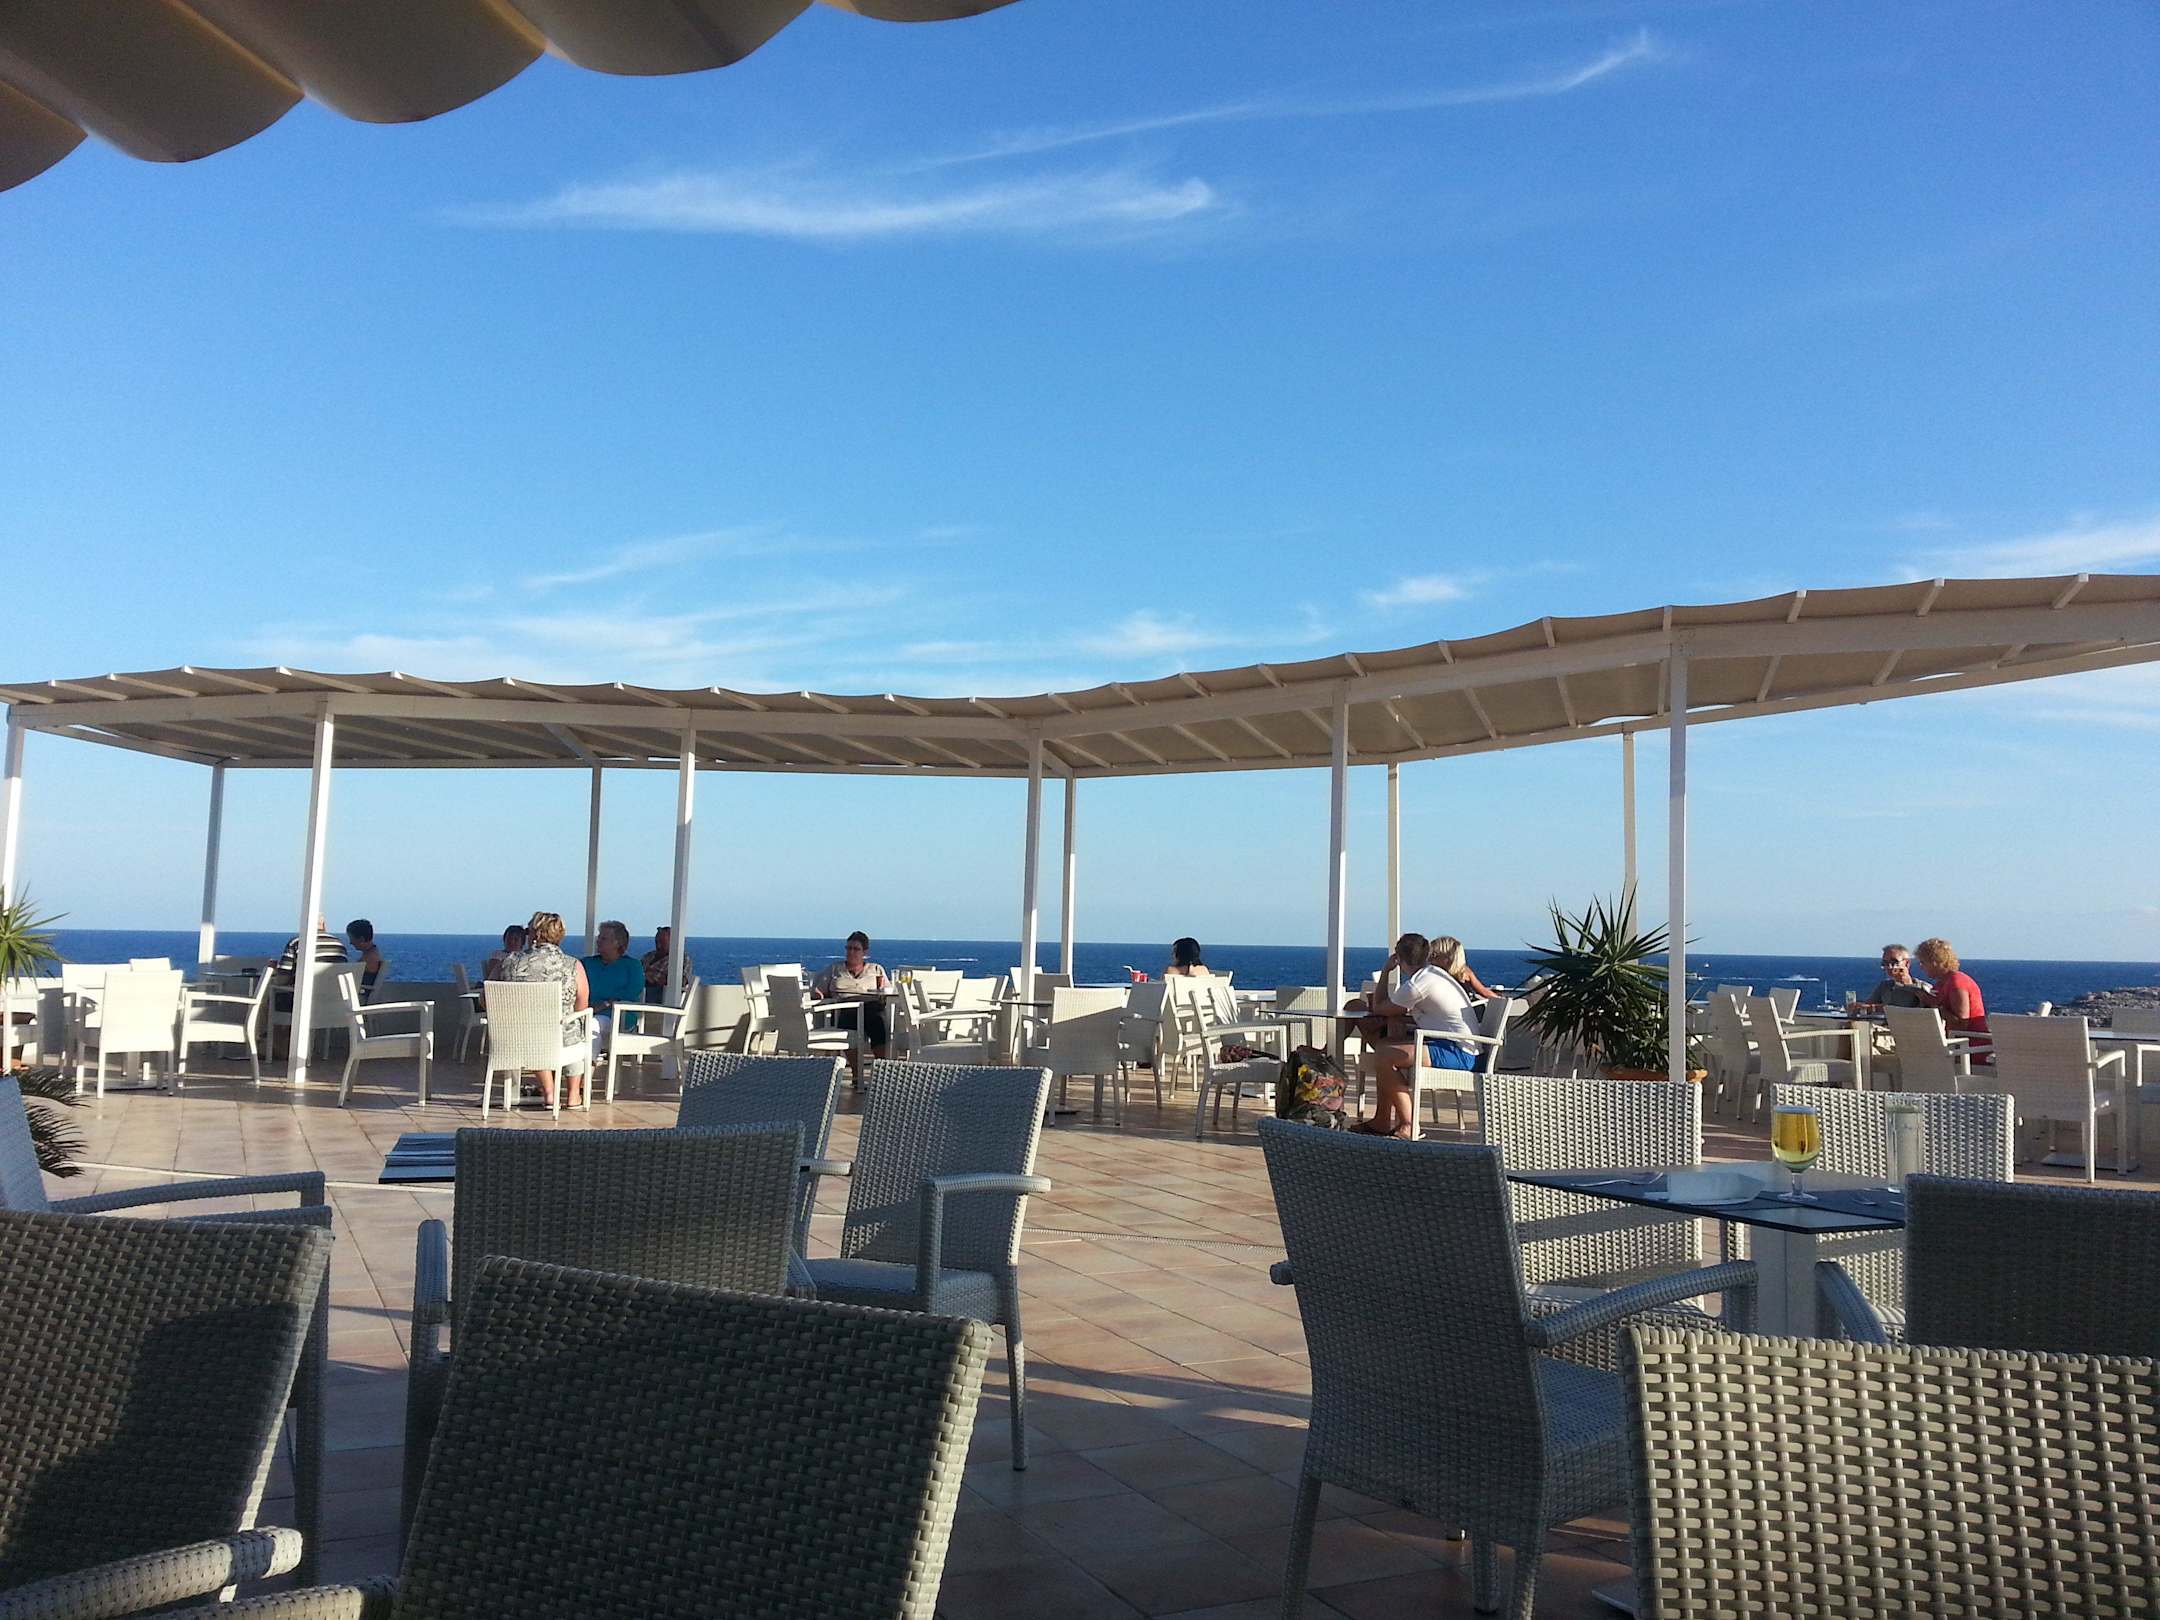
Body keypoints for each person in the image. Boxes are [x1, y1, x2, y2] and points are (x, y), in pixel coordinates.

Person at [1357, 932, 1481, 1138]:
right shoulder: (1432, 974)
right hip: (1458, 1045)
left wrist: (1386, 971)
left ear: (1399, 958)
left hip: (1460, 1053)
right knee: (1385, 1046)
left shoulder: (1418, 983)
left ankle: (1409, 1124)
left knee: (1384, 1055)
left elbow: (1380, 1008)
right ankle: (1382, 1120)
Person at [501, 911, 591, 1109]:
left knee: (533, 1032)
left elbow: (488, 995)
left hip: (520, 1036)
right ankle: (573, 1095)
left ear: (535, 934)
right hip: (560, 1035)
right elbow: (582, 1004)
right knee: (578, 1027)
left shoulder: (511, 961)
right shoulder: (572, 965)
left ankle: (549, 1092)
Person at [812, 930, 891, 1071]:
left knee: (877, 1020)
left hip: (870, 1008)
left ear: (865, 952)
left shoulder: (876, 969)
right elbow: (818, 991)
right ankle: (856, 1071)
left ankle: (881, 1068)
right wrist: (820, 996)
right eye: (848, 948)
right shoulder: (835, 969)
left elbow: (887, 991)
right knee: (849, 1018)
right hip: (843, 1009)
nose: (851, 952)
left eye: (856, 949)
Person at [1910, 938, 1988, 1047]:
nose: (1921, 967)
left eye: (1923, 962)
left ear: (1935, 962)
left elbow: (1961, 1025)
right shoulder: (1942, 983)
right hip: (1956, 1044)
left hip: (1971, 1047)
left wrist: (1934, 1005)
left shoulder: (1957, 983)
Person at [582, 920, 644, 1035]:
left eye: (603, 938)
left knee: (591, 1025)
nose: (598, 941)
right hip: (586, 1011)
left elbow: (631, 993)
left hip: (618, 1014)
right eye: (599, 937)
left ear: (617, 943)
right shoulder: (587, 963)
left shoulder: (632, 966)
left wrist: (604, 1005)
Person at [1430, 936, 1502, 1001]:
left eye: (1434, 955)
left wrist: (1502, 1001)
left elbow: (1483, 992)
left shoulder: (1464, 972)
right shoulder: (1463, 972)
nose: (1430, 959)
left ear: (1448, 957)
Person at [1862, 944, 1930, 1010]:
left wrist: (1909, 985)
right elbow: (1866, 1007)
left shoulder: (1923, 988)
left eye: (1894, 962)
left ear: (1907, 963)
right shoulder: (1885, 986)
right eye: (1885, 963)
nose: (1889, 967)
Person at [641, 926, 692, 1000]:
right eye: (657, 942)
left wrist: (656, 979)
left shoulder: (682, 959)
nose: (658, 946)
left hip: (661, 996)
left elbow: (682, 982)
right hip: (640, 989)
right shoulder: (649, 956)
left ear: (673, 943)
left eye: (662, 943)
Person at [346, 918, 384, 1000]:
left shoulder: (370, 958)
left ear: (361, 939)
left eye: (351, 938)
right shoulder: (372, 953)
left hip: (360, 997)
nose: (350, 942)